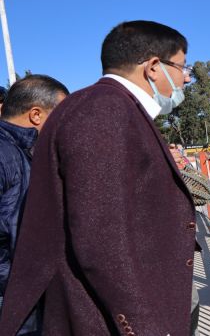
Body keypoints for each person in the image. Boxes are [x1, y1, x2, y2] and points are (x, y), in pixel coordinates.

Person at [0, 20, 197, 335]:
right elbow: (101, 239)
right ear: (154, 67)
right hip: (102, 319)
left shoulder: (113, 108)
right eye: (183, 67)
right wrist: (143, 326)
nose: (186, 78)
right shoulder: (103, 111)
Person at [0, 75, 68, 335]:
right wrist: (23, 284)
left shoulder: (26, 151)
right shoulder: (6, 153)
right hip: (15, 301)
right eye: (60, 116)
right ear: (36, 115)